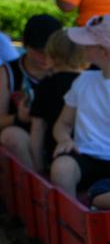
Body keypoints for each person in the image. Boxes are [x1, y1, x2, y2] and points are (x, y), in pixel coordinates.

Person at [49, 15, 110, 208]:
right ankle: (73, 220)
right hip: (86, 156)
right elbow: (63, 123)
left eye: (88, 43)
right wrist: (65, 139)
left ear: (104, 51)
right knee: (61, 168)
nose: (83, 47)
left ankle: (99, 198)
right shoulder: (84, 81)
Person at [0, 14, 61, 164]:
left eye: (51, 52)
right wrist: (18, 118)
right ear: (26, 45)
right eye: (40, 52)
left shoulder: (65, 71)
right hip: (24, 141)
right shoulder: (8, 72)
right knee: (12, 135)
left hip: (58, 138)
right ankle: (36, 183)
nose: (46, 58)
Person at [28, 29, 88, 173]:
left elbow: (38, 127)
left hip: (56, 154)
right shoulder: (89, 83)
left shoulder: (45, 85)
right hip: (87, 156)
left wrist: (38, 166)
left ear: (51, 54)